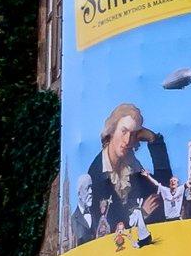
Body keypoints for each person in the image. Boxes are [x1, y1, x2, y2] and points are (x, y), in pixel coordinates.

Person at [72, 102, 176, 242]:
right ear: (112, 131)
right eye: (124, 131)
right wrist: (142, 213)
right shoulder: (96, 174)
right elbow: (105, 227)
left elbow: (164, 190)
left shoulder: (131, 164)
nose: (127, 141)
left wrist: (154, 140)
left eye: (133, 134)